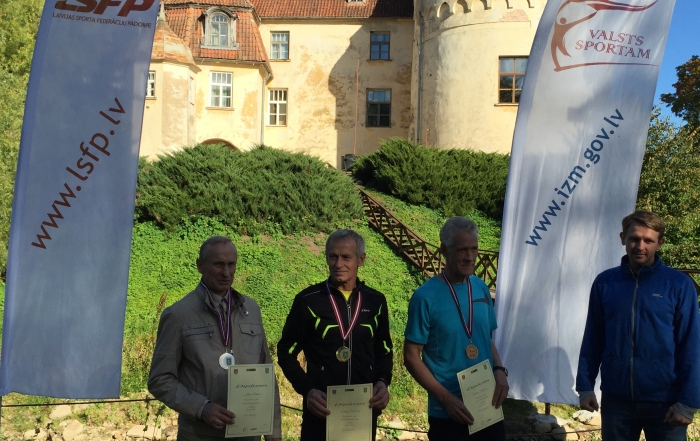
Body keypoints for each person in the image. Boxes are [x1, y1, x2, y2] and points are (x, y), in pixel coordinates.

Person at [576, 210, 700, 440]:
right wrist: (585, 385)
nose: (640, 246)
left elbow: (691, 345)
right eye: (634, 238)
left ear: (660, 243)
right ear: (623, 238)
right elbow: (593, 337)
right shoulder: (605, 283)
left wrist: (689, 402)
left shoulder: (679, 285)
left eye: (648, 240)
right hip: (617, 400)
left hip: (666, 400)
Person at [148, 236, 282, 441]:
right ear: (200, 266)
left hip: (248, 433)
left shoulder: (251, 309)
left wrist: (273, 431)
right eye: (218, 264)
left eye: (231, 264)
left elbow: (266, 371)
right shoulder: (178, 315)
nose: (226, 272)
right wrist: (201, 408)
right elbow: (160, 379)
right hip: (199, 435)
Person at [277, 229, 393, 440]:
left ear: (361, 259)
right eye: (333, 256)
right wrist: (307, 390)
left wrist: (382, 382)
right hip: (321, 411)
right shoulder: (308, 300)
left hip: (362, 412)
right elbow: (286, 352)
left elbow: (384, 351)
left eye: (346, 257)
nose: (338, 264)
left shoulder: (375, 301)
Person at [404, 216, 508, 441]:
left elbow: (485, 339)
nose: (470, 256)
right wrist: (445, 398)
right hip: (448, 412)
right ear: (444, 249)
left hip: (487, 404)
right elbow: (411, 356)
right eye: (462, 250)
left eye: (474, 248)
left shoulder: (481, 288)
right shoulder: (425, 297)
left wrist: (500, 370)